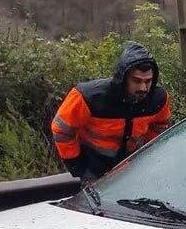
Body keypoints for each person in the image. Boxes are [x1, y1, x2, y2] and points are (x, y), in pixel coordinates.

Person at [51, 41, 171, 181]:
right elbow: (62, 130)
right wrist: (77, 166)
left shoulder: (158, 99)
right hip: (93, 168)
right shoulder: (89, 97)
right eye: (137, 81)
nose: (143, 88)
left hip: (133, 168)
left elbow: (160, 127)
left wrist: (147, 156)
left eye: (148, 81)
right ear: (123, 78)